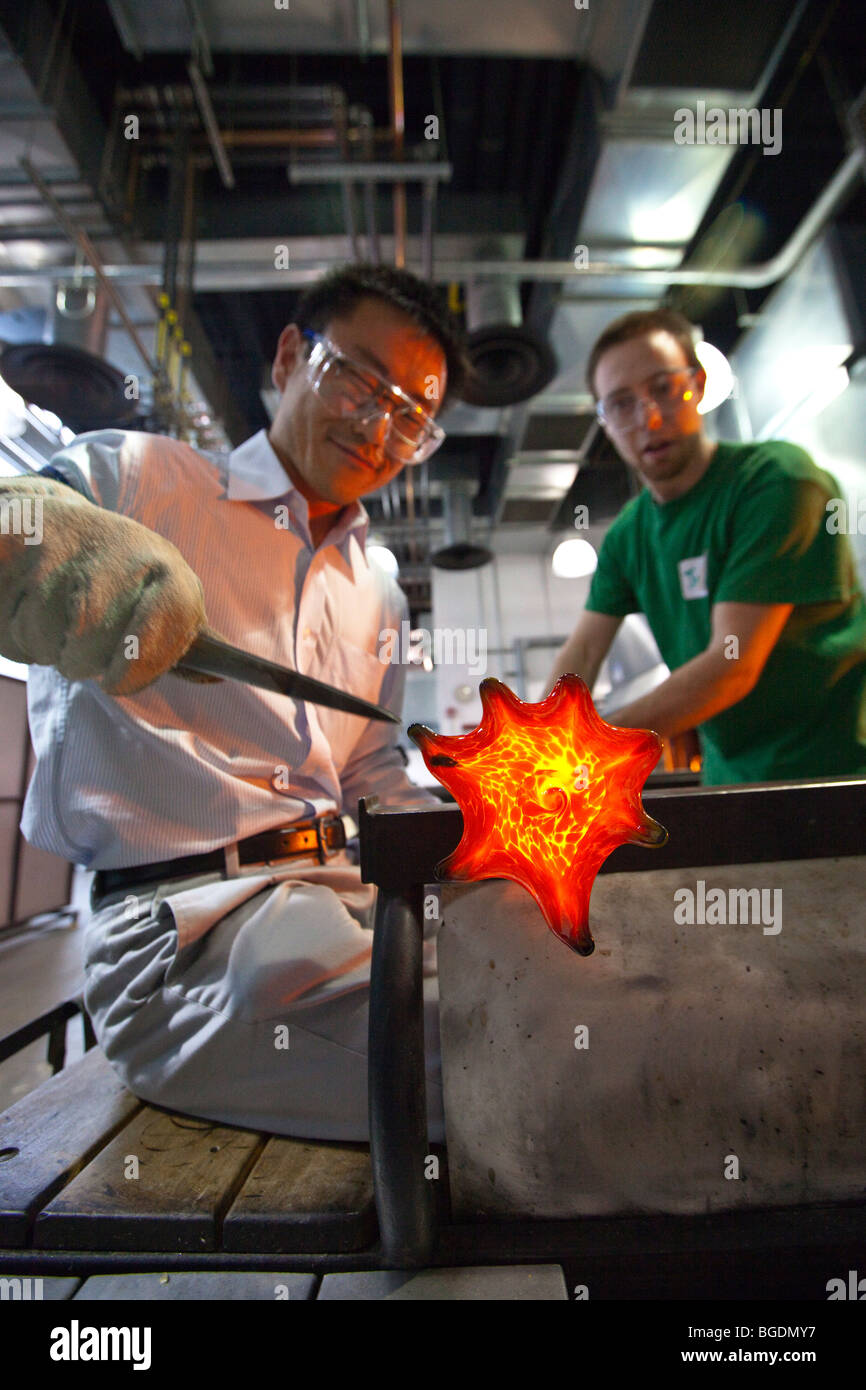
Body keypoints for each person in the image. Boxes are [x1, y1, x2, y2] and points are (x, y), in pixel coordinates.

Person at [0, 262, 467, 1141]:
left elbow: (369, 771)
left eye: (411, 414)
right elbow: (23, 522)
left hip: (347, 893)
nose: (377, 422)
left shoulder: (380, 591)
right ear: (291, 355)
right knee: (503, 1043)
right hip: (190, 934)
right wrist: (33, 536)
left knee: (542, 964)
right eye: (360, 379)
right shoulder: (140, 478)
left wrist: (465, 845)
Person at [547, 307, 866, 784]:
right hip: (732, 782)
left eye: (663, 388)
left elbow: (731, 664)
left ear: (696, 384)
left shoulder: (775, 481)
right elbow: (586, 651)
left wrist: (585, 751)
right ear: (605, 422)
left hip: (836, 775)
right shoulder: (628, 537)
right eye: (621, 404)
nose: (649, 418)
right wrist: (539, 738)